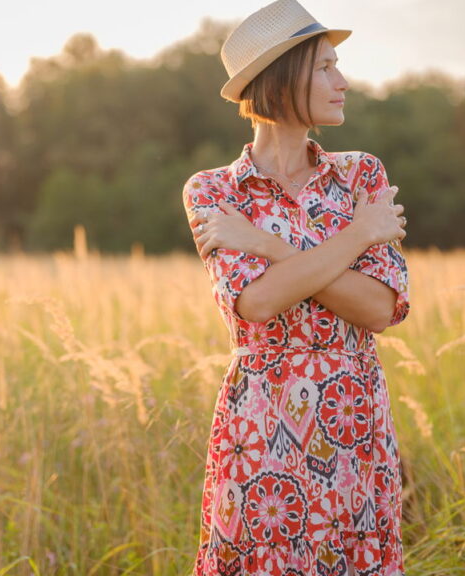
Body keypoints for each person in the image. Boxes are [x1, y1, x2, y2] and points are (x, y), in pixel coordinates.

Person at [181, 1, 410, 574]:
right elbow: (256, 304)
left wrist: (267, 246)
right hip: (260, 426)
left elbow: (378, 308)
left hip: (353, 419)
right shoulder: (213, 193)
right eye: (326, 68)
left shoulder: (362, 176)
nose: (344, 82)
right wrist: (357, 237)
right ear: (283, 77)